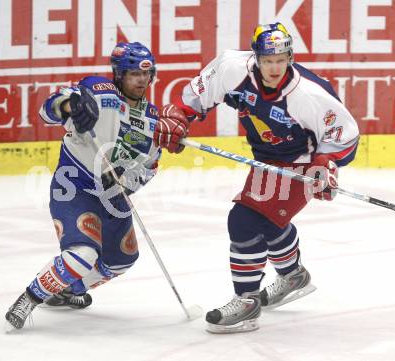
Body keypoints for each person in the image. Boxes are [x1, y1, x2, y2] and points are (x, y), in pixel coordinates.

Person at [153, 22, 359, 333]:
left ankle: (247, 301)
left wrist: (325, 165)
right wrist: (180, 115)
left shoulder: (309, 94)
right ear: (256, 58)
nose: (275, 67)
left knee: (245, 221)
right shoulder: (231, 67)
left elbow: (345, 135)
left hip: (301, 163)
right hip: (266, 159)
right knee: (268, 222)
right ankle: (293, 275)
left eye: (281, 60)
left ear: (289, 57)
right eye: (268, 60)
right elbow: (196, 94)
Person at [5, 42, 161, 330]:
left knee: (123, 259)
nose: (141, 80)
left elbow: (149, 166)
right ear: (118, 74)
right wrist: (68, 104)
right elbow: (46, 111)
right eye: (133, 74)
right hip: (75, 186)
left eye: (146, 74)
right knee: (83, 255)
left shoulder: (152, 119)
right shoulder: (98, 91)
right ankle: (29, 298)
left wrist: (126, 182)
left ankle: (69, 289)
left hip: (113, 197)